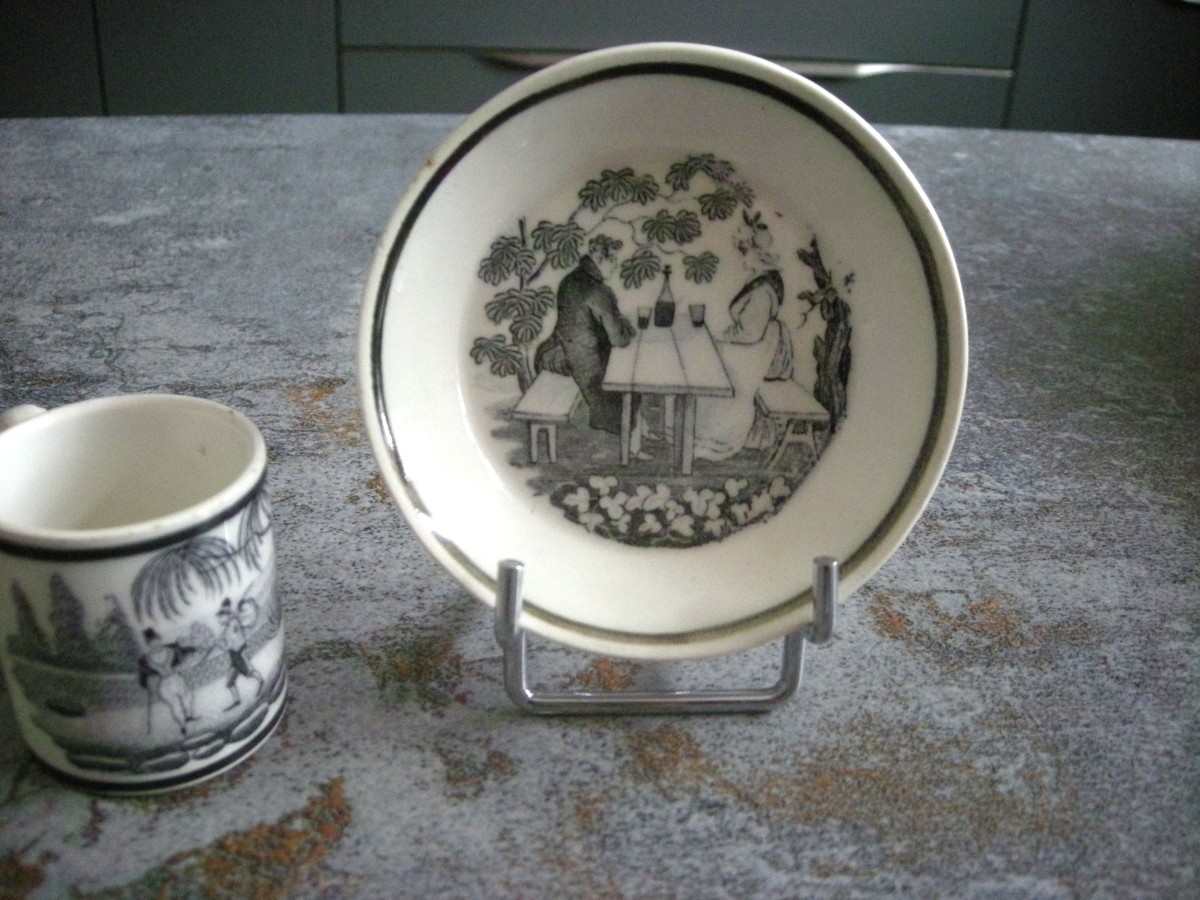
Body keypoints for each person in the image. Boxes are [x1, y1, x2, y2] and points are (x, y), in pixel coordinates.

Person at [534, 236, 638, 439]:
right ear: (601, 260)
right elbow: (619, 340)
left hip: (552, 353)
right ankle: (629, 441)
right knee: (629, 384)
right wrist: (628, 328)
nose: (615, 266)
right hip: (581, 360)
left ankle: (626, 429)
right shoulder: (600, 291)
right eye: (613, 260)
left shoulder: (569, 280)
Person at [692, 268, 794, 461]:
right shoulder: (758, 282)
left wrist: (720, 340)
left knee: (706, 370)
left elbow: (750, 333)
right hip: (747, 352)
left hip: (748, 356)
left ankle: (712, 439)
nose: (745, 254)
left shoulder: (762, 292)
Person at [138, 628, 198, 736]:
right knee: (178, 701)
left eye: (157, 640)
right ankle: (184, 721)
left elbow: (180, 660)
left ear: (160, 640)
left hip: (169, 681)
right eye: (152, 642)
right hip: (170, 681)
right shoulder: (166, 652)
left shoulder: (149, 658)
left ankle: (186, 719)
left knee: (183, 698)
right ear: (149, 644)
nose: (156, 643)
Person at [208, 596, 264, 711]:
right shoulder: (229, 626)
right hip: (234, 655)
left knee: (249, 672)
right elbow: (226, 641)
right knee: (230, 681)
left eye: (221, 616)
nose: (219, 620)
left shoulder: (233, 623)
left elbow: (230, 640)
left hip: (239, 652)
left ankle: (261, 681)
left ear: (227, 615)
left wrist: (223, 644)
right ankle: (236, 701)